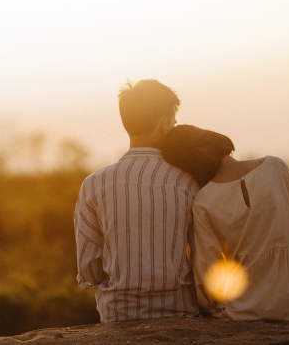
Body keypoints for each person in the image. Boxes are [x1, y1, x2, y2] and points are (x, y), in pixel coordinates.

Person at [161, 124, 289, 324]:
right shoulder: (276, 168)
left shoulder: (203, 202)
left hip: (242, 313)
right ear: (213, 138)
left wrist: (210, 307)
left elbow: (209, 269)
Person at [74, 80, 201, 323]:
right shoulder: (188, 182)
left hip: (118, 314)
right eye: (173, 123)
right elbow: (202, 258)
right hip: (180, 312)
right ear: (163, 123)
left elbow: (89, 269)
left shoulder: (94, 184)